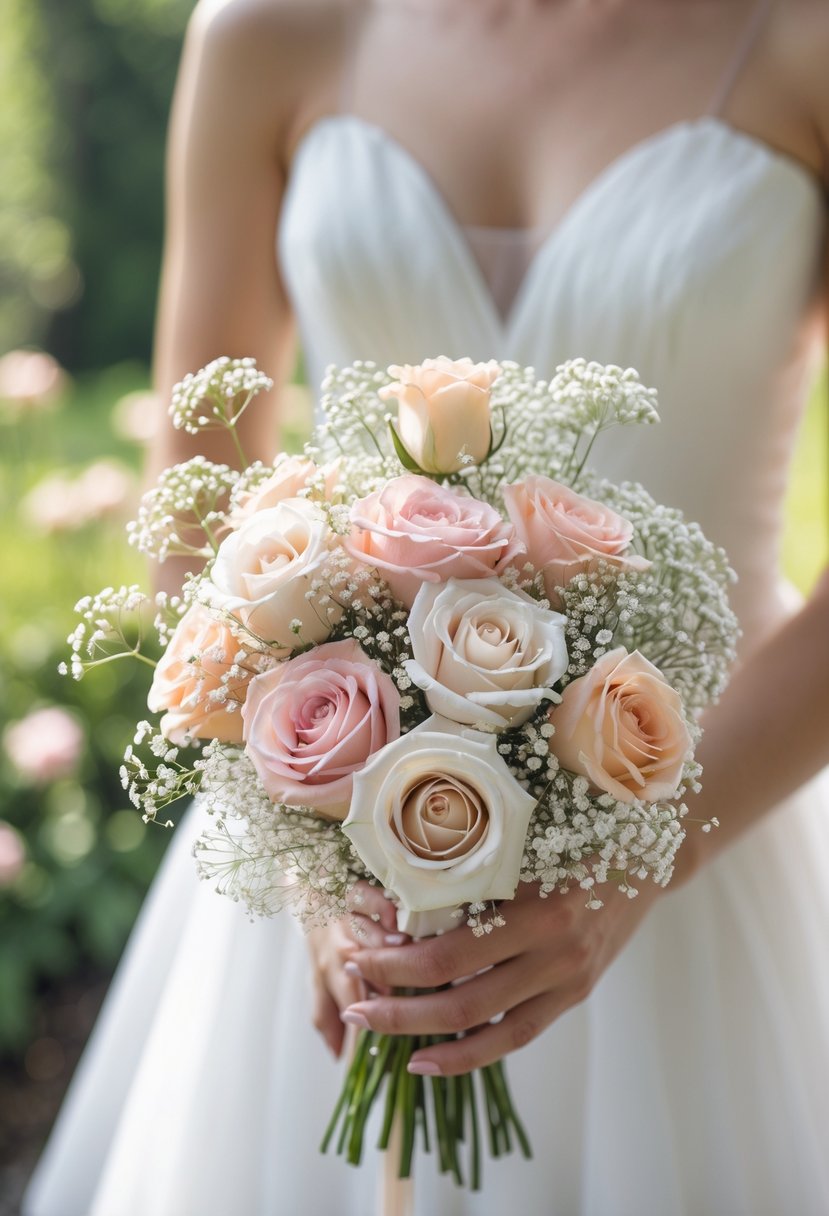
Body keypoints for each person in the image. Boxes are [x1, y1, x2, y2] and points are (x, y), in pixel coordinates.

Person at [24, 0, 829, 1212]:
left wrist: (631, 867)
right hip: (339, 835)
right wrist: (314, 853)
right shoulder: (264, 33)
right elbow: (194, 517)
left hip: (721, 817)